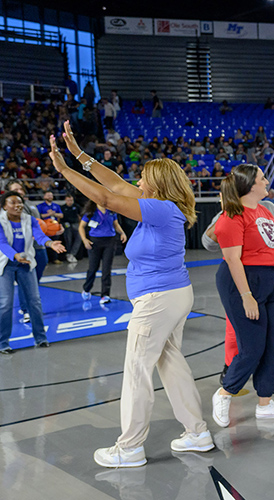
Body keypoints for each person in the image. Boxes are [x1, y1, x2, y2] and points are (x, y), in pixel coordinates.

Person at [50, 121, 214, 468]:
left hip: (158, 302)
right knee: (170, 364)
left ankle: (130, 447)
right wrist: (81, 156)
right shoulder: (162, 207)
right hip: (169, 297)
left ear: (157, 185)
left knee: (137, 370)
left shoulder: (161, 209)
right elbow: (115, 183)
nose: (137, 182)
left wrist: (65, 170)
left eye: (143, 178)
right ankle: (197, 432)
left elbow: (107, 197)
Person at [210, 164, 274, 428]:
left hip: (272, 278)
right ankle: (225, 392)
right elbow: (233, 259)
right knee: (252, 346)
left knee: (272, 344)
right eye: (262, 178)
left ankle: (265, 402)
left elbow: (270, 242)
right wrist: (246, 295)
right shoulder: (230, 217)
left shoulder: (264, 210)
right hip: (244, 280)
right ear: (249, 185)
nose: (266, 180)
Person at [0, 191, 65, 353]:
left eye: (20, 202)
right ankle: (2, 343)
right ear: (4, 206)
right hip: (6, 264)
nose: (18, 205)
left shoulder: (30, 220)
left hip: (26, 263)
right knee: (5, 304)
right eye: (13, 202)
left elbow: (40, 236)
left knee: (34, 301)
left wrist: (50, 244)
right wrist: (15, 255)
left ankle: (40, 338)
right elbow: (1, 243)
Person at [6, 181, 47, 324]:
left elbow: (40, 224)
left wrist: (52, 230)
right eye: (15, 189)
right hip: (24, 250)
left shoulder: (31, 205)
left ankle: (30, 305)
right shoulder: (8, 211)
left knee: (35, 279)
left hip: (39, 247)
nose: (20, 190)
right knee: (26, 281)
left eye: (20, 188)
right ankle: (26, 310)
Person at [79, 200, 127, 304]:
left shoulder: (111, 211)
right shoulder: (91, 212)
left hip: (109, 241)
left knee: (106, 269)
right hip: (95, 241)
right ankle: (87, 288)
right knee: (93, 268)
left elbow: (116, 224)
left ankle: (105, 294)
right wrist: (84, 239)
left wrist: (122, 232)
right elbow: (81, 226)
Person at [61, 193, 82, 263]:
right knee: (68, 239)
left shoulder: (76, 206)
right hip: (66, 224)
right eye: (68, 200)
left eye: (71, 200)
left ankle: (72, 254)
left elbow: (80, 216)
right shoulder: (63, 207)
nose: (70, 202)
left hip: (75, 223)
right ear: (65, 200)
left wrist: (80, 224)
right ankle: (68, 253)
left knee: (79, 237)